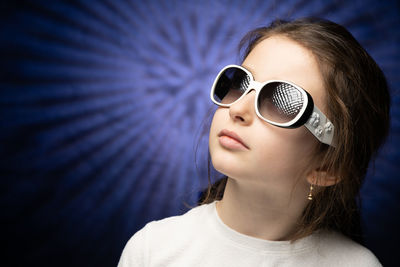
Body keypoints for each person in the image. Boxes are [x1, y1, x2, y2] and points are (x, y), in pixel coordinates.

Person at [117, 17, 390, 266]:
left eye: (282, 102)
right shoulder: (153, 249)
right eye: (240, 83)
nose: (238, 109)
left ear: (328, 168)